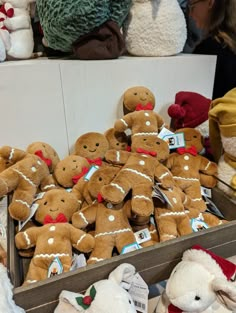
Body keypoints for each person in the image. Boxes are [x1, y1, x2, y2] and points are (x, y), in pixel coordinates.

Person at [187, 0, 236, 99]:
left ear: (210, 3)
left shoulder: (208, 49)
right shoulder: (230, 44)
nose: (190, 14)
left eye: (192, 7)